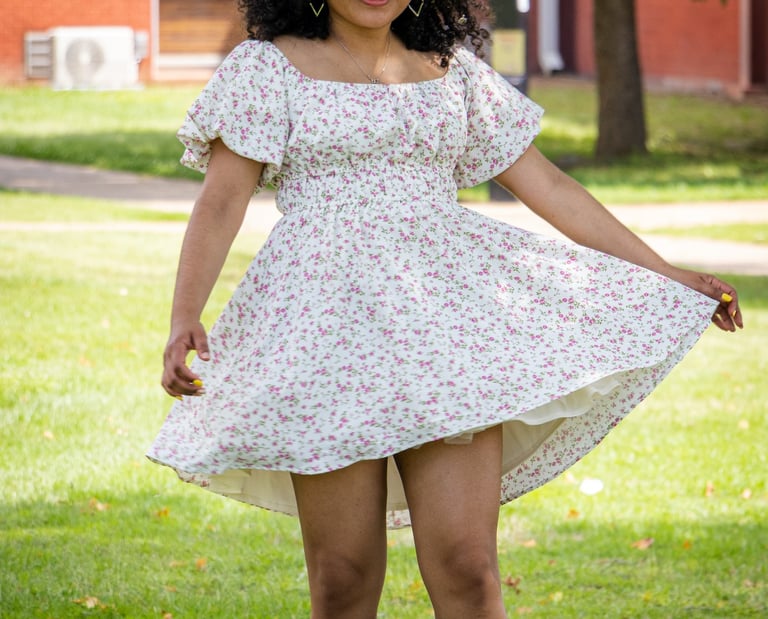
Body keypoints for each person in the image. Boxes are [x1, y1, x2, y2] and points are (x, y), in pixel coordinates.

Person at [147, 1, 743, 617]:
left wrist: (666, 273)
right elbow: (221, 201)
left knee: (467, 566)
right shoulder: (266, 69)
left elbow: (549, 186)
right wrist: (184, 314)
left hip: (446, 334)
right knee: (343, 577)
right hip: (325, 336)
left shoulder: (451, 70)